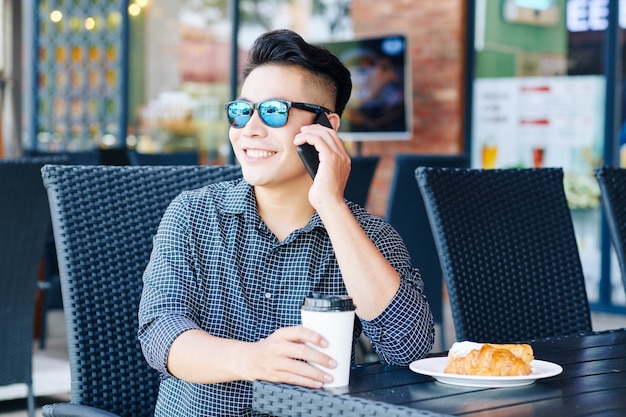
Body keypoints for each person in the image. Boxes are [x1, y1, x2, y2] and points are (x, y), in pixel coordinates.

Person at [138, 29, 434, 416]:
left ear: (325, 126)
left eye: (275, 110)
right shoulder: (193, 214)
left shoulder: (367, 235)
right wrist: (253, 360)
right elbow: (160, 335)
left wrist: (330, 204)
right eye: (241, 111)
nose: (249, 129)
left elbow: (407, 347)